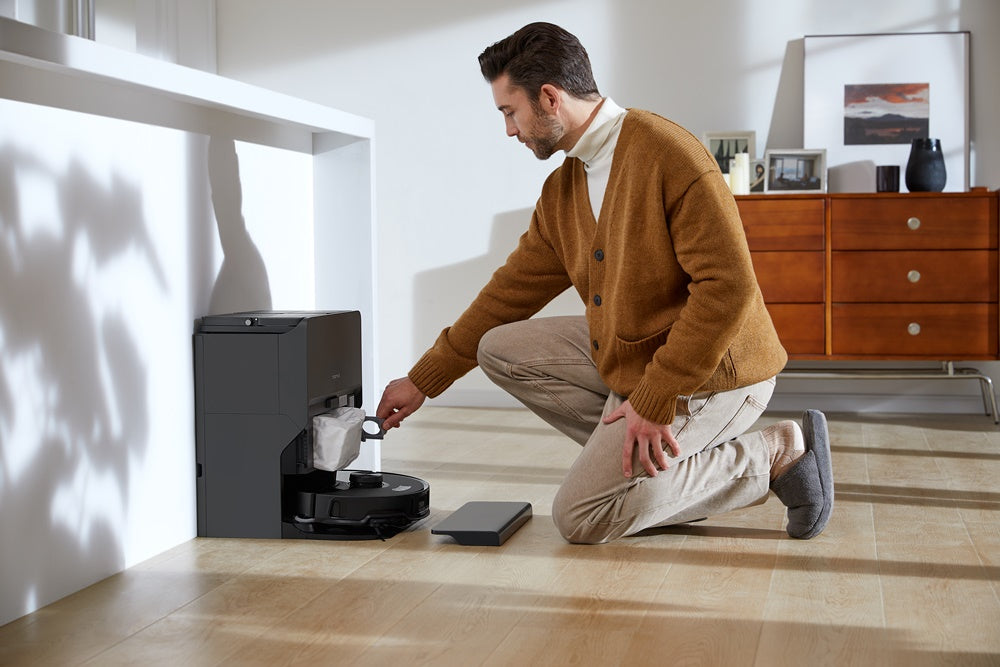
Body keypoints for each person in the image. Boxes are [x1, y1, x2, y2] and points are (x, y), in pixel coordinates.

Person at [376, 22, 833, 544]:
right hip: (639, 357)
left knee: (581, 516)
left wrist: (657, 396)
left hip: (716, 374)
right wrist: (424, 379)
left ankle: (773, 454)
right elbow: (508, 294)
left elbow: (727, 288)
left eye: (510, 111)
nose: (509, 130)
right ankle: (650, 473)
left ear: (550, 98)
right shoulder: (564, 189)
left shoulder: (668, 154)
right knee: (498, 347)